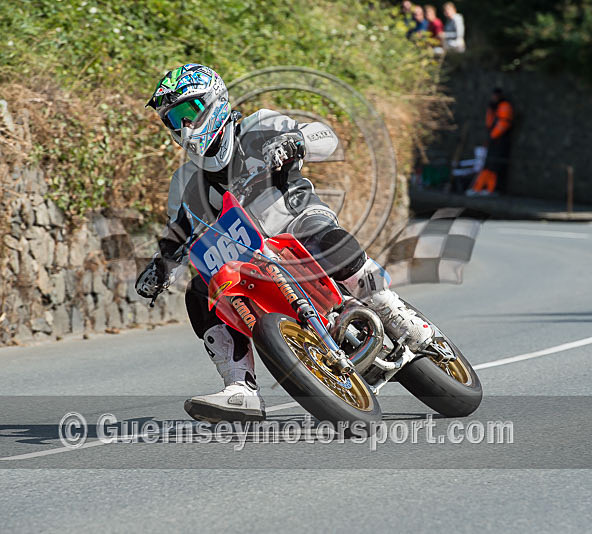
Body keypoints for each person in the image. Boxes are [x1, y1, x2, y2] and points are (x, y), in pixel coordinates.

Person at [135, 64, 434, 423]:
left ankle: (391, 310)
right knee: (199, 291)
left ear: (214, 100)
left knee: (324, 237)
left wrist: (296, 142)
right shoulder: (183, 182)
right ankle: (239, 387)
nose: (182, 125)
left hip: (298, 223)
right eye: (173, 119)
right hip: (250, 262)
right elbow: (177, 234)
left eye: (188, 111)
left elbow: (326, 137)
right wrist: (161, 266)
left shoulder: (260, 124)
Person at [468, 88, 514, 196]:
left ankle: (485, 188)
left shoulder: (504, 106)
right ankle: (484, 188)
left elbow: (504, 123)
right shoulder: (494, 107)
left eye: (495, 96)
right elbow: (490, 122)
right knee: (490, 164)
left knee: (493, 165)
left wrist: (492, 136)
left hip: (499, 139)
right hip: (494, 138)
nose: (493, 98)